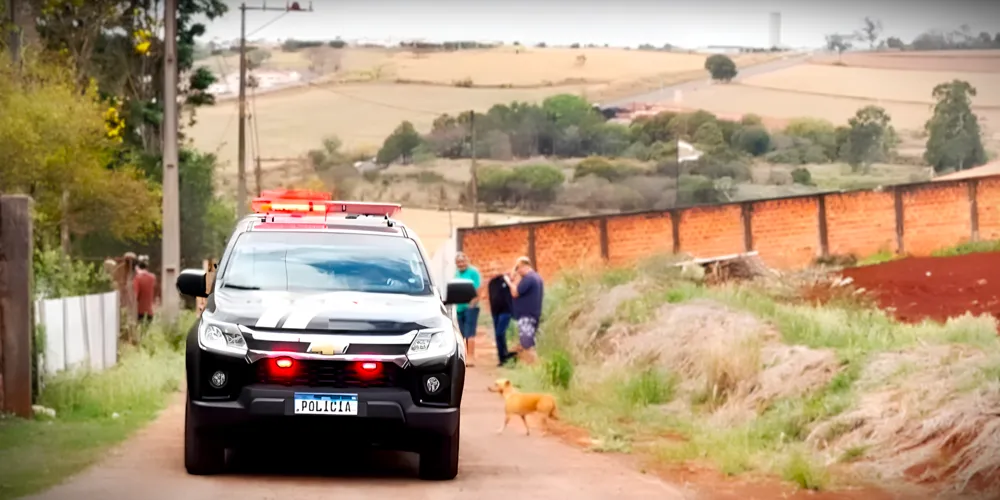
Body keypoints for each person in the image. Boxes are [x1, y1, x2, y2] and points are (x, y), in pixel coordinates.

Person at [504, 256, 544, 365]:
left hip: (527, 315)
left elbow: (515, 292)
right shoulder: (536, 277)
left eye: (518, 268)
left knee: (527, 344)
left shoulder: (529, 278)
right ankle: (524, 365)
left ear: (524, 266)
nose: (517, 271)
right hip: (532, 314)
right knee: (524, 343)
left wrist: (508, 281)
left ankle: (535, 366)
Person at [454, 252, 481, 367]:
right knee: (463, 333)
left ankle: (471, 357)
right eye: (458, 262)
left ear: (467, 261)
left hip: (470, 307)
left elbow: (478, 288)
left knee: (470, 333)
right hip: (459, 307)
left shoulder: (473, 272)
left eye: (462, 261)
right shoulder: (456, 274)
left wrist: (473, 303)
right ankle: (465, 356)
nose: (461, 264)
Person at [487, 272, 514, 367]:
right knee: (498, 335)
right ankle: (502, 357)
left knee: (500, 333)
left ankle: (504, 355)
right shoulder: (491, 283)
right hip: (495, 312)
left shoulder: (507, 281)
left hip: (506, 311)